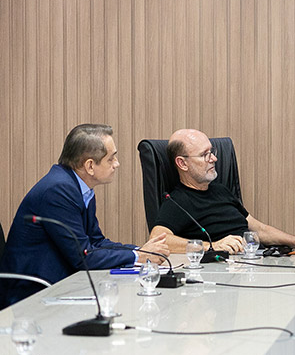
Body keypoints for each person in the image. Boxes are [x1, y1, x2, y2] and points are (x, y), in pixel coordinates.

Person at [0, 124, 170, 306]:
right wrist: (137, 256)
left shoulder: (80, 188)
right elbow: (84, 257)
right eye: (111, 158)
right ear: (90, 166)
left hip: (61, 284)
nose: (116, 164)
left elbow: (96, 242)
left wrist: (140, 251)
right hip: (32, 292)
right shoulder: (58, 191)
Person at [149, 129, 295, 253]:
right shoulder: (178, 201)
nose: (214, 158)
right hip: (225, 273)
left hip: (256, 261)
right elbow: (158, 240)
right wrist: (212, 246)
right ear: (182, 163)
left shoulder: (221, 190)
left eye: (212, 151)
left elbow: (260, 230)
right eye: (204, 155)